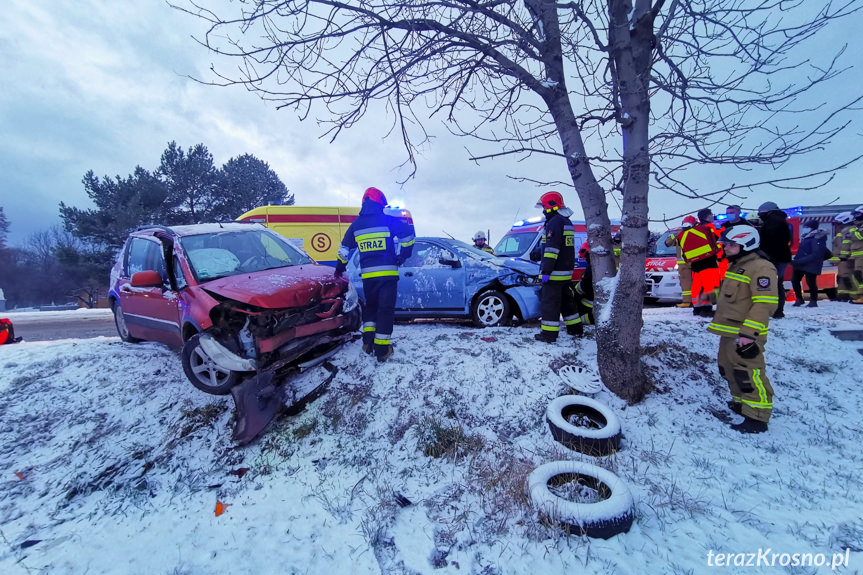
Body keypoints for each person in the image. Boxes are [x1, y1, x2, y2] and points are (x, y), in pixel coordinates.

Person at [708, 225, 778, 434]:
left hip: (745, 333)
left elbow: (764, 304)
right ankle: (741, 404)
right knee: (729, 369)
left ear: (746, 244)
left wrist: (750, 334)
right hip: (729, 331)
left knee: (749, 372)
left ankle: (757, 417)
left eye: (731, 244)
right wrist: (702, 300)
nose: (726, 248)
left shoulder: (761, 267)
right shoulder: (738, 265)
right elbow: (726, 295)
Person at [335, 187, 415, 362]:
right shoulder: (388, 220)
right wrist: (403, 255)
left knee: (370, 308)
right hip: (387, 276)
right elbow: (408, 236)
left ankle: (367, 343)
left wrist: (339, 268)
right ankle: (382, 350)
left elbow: (343, 250)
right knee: (385, 311)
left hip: (368, 278)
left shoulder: (356, 225)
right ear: (380, 203)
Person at [533, 191, 579, 343]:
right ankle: (576, 329)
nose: (543, 211)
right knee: (567, 302)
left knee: (550, 304)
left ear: (552, 206)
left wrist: (546, 271)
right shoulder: (566, 221)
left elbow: (552, 250)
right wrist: (539, 252)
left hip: (554, 273)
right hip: (566, 272)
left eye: (545, 207)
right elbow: (559, 246)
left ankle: (548, 335)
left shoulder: (554, 222)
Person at [677, 208, 721, 317]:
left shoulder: (688, 232)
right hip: (708, 261)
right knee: (709, 285)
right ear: (708, 216)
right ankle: (706, 308)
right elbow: (718, 240)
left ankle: (697, 308)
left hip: (695, 264)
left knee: (697, 286)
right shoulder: (708, 227)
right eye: (711, 214)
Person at [755, 201, 792, 318]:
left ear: (767, 212)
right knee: (777, 283)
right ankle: (778, 310)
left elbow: (769, 239)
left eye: (761, 214)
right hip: (781, 256)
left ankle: (776, 310)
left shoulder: (773, 222)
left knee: (773, 284)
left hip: (774, 257)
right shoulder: (780, 221)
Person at [790, 220, 828, 307]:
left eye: (807, 227)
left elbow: (816, 253)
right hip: (801, 263)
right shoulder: (806, 236)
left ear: (812, 228)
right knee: (795, 280)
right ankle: (799, 299)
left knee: (810, 281)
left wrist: (800, 261)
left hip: (812, 263)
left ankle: (813, 300)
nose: (804, 229)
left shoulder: (817, 237)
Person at [664, 215, 696, 308]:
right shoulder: (679, 235)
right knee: (686, 284)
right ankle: (688, 301)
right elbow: (667, 243)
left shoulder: (695, 233)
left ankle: (694, 301)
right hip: (684, 263)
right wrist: (676, 234)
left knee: (695, 283)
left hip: (693, 262)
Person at [832, 211, 855, 301]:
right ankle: (842, 296)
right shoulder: (843, 231)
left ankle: (851, 296)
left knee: (847, 277)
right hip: (842, 260)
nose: (838, 225)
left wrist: (844, 257)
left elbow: (845, 245)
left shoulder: (849, 231)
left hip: (846, 259)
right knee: (841, 278)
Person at [851, 206, 863, 304]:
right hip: (858, 257)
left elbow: (859, 236)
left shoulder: (859, 228)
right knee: (858, 276)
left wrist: (854, 231)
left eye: (857, 214)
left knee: (860, 276)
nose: (855, 217)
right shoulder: (858, 226)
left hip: (861, 257)